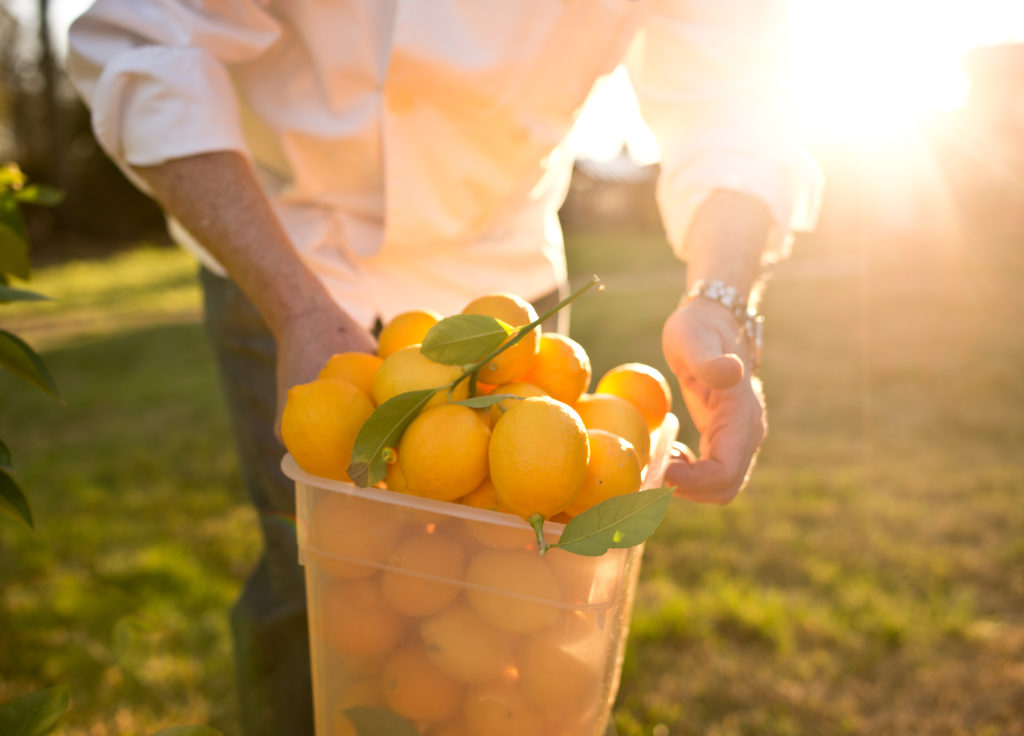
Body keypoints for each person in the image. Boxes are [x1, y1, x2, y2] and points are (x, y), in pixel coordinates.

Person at [66, 2, 822, 734]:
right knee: (319, 582)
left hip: (503, 290)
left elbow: (739, 87)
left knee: (520, 596)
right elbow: (147, 37)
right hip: (284, 251)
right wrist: (293, 307)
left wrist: (720, 299)